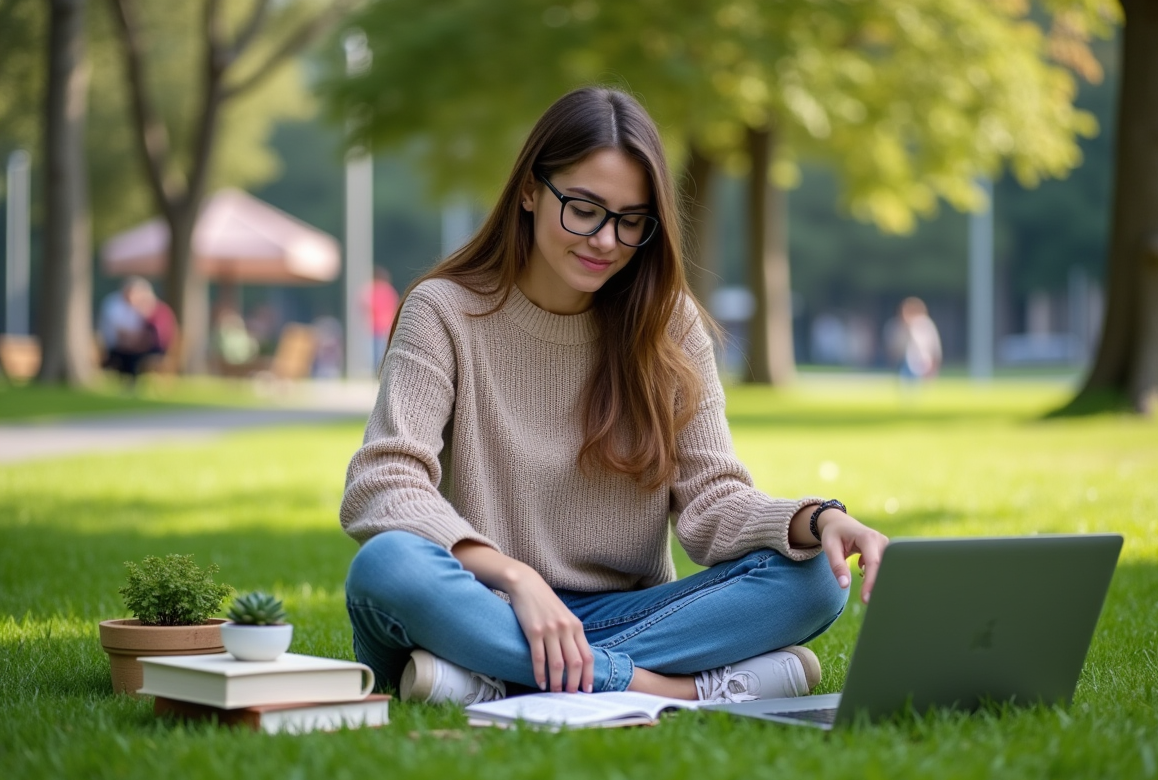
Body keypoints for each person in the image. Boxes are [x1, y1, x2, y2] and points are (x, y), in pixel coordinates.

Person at [340, 87, 889, 707]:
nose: (605, 240)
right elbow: (385, 481)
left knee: (816, 577)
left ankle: (492, 677)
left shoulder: (668, 324)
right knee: (387, 568)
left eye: (631, 221)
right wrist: (514, 576)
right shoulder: (444, 312)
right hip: (486, 598)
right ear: (529, 190)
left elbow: (713, 503)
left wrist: (818, 520)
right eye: (584, 208)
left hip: (626, 613)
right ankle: (657, 687)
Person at [886, 297, 942, 380]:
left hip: (922, 361)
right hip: (903, 362)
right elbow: (894, 347)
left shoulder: (925, 325)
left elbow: (933, 345)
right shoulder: (898, 326)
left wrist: (933, 363)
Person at [363, 268, 401, 371]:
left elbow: (365, 306)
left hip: (374, 326)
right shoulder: (389, 291)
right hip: (386, 326)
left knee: (375, 353)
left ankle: (375, 370)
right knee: (382, 352)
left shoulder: (373, 290)